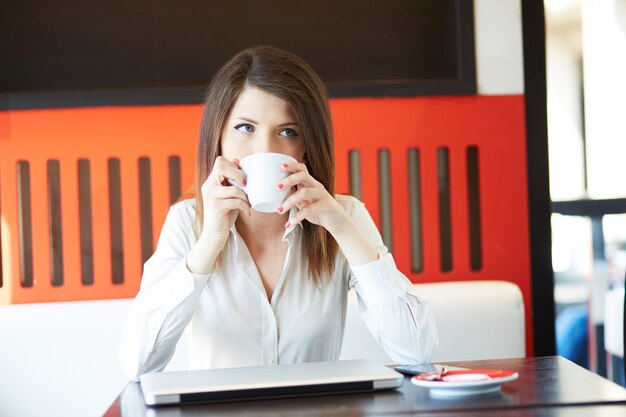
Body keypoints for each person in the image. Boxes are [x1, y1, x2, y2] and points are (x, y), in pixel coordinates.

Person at [118, 45, 438, 380]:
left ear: (307, 146)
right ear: (219, 136)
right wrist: (210, 241)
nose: (265, 149)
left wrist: (340, 228)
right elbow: (138, 365)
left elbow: (417, 351)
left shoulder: (344, 217)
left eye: (288, 132)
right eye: (246, 128)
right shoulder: (188, 222)